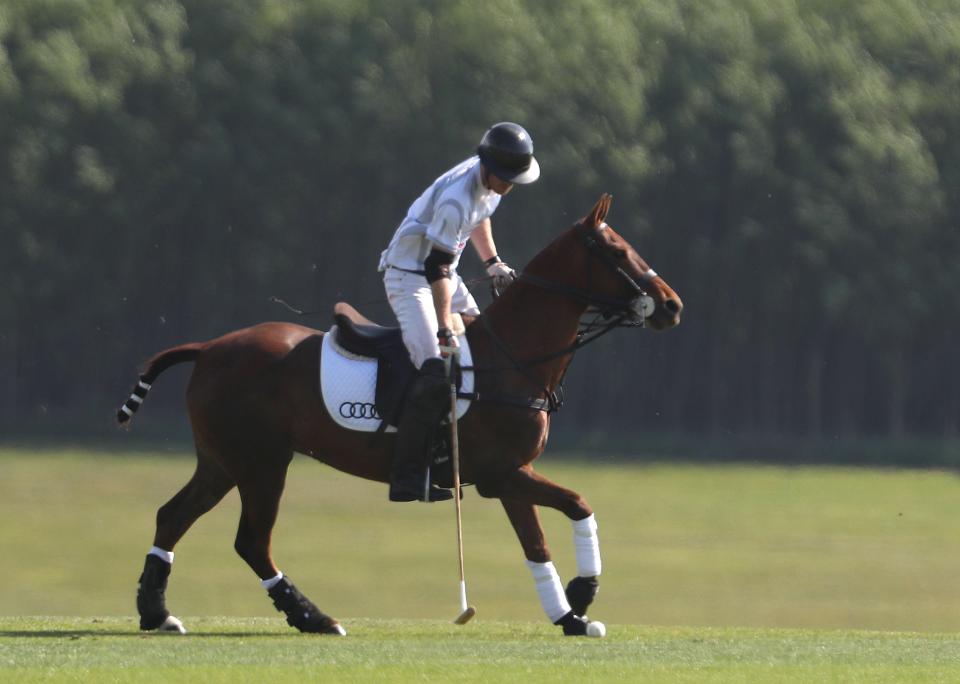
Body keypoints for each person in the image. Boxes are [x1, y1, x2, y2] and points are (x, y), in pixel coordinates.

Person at [378, 122, 540, 502]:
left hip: (442, 273)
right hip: (410, 276)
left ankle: (464, 446)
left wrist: (493, 263)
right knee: (436, 369)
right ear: (490, 168)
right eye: (507, 178)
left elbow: (481, 216)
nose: (511, 185)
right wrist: (445, 329)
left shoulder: (488, 181)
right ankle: (408, 476)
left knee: (486, 347)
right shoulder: (455, 200)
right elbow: (436, 267)